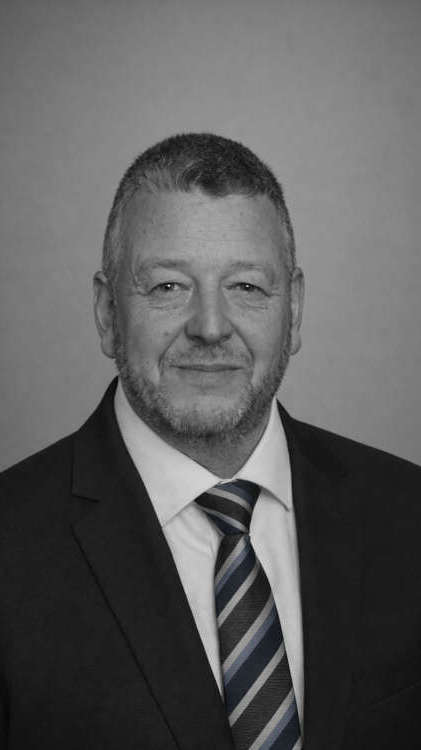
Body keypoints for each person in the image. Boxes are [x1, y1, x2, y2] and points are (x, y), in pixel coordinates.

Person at [0, 133, 420, 750]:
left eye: (246, 287)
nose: (210, 327)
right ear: (108, 313)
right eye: (168, 287)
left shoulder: (407, 513)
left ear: (294, 310)